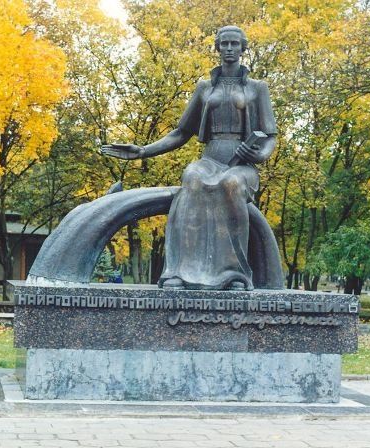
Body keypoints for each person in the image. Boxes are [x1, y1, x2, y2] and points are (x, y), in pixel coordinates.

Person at [102, 25, 277, 291]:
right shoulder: (205, 87)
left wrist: (259, 153)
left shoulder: (257, 88)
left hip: (242, 166)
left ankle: (234, 275)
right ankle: (179, 273)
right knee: (192, 178)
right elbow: (182, 132)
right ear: (218, 48)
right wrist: (143, 150)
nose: (229, 49)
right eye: (224, 44)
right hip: (210, 159)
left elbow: (270, 136)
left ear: (243, 48)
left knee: (230, 185)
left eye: (234, 44)